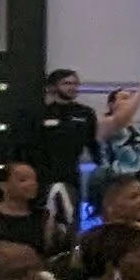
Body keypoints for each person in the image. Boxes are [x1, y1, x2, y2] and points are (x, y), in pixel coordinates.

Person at [12, 68, 103, 201]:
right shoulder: (39, 114)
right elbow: (27, 146)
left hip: (71, 175)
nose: (72, 87)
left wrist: (99, 169)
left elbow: (92, 144)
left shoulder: (86, 113)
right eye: (66, 83)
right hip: (42, 176)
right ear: (53, 87)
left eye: (75, 84)